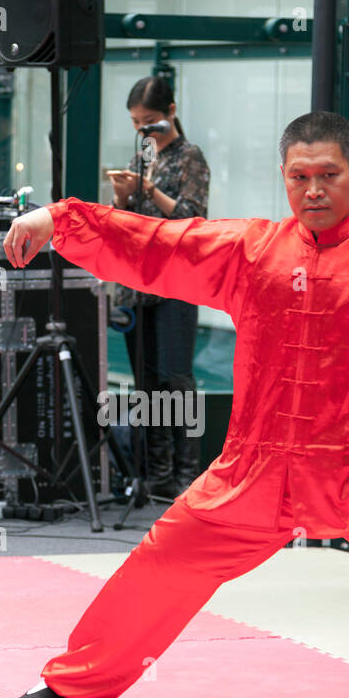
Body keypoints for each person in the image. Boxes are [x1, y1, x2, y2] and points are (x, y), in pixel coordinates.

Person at [2, 111, 349, 698]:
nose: (314, 189)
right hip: (257, 469)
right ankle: (81, 683)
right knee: (161, 564)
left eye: (328, 174)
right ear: (284, 177)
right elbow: (160, 243)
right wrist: (61, 220)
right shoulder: (253, 250)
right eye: (300, 176)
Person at [107, 76, 210, 498]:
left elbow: (191, 217)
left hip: (177, 282)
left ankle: (188, 476)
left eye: (148, 120)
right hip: (138, 283)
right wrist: (122, 198)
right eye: (135, 122)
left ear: (170, 112)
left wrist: (148, 189)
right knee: (146, 382)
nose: (142, 130)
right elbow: (129, 220)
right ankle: (158, 473)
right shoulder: (142, 155)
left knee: (176, 378)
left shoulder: (190, 157)